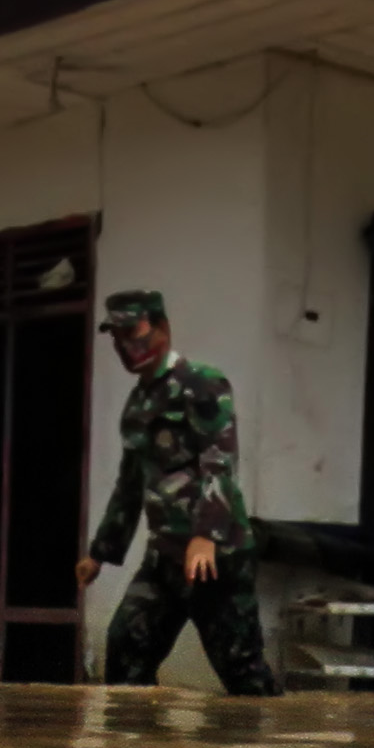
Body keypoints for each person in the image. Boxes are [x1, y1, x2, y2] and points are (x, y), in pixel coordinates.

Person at [78, 288, 281, 695]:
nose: (124, 346)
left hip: (216, 556)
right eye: (116, 338)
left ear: (162, 329)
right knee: (125, 655)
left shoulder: (202, 383)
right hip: (165, 555)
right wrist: (100, 553)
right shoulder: (138, 403)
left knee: (244, 674)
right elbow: (130, 483)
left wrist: (205, 535)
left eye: (132, 332)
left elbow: (219, 461)